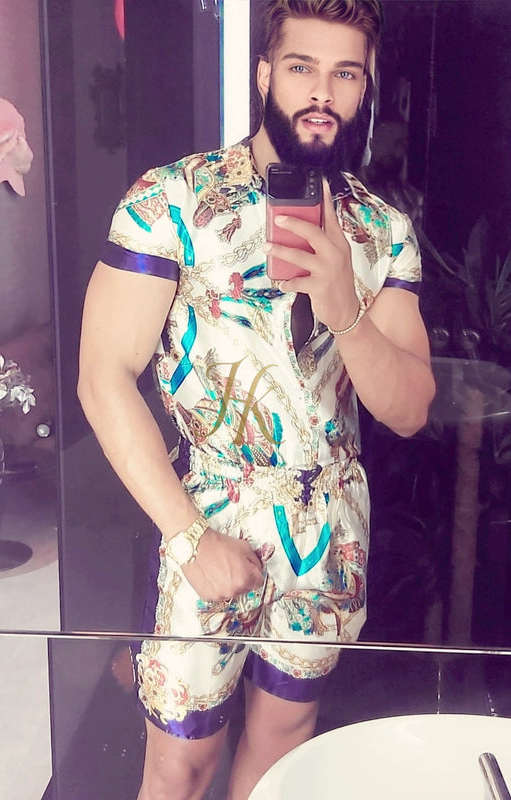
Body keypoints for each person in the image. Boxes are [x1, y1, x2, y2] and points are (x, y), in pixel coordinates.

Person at [77, 1, 436, 798]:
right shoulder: (173, 199)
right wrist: (186, 537)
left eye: (345, 73)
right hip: (205, 509)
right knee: (179, 767)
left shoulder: (382, 231)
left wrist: (343, 303)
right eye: (302, 67)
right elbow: (102, 376)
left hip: (328, 524)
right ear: (266, 74)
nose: (322, 92)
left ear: (364, 87)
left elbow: (408, 407)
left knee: (283, 753)